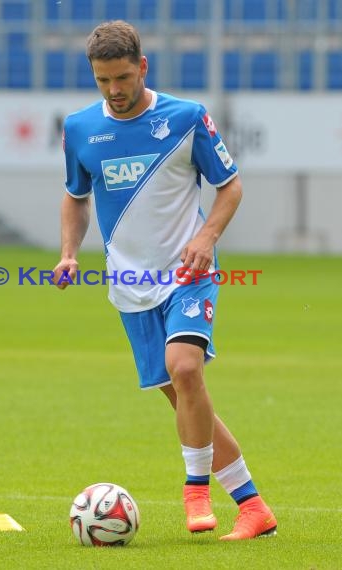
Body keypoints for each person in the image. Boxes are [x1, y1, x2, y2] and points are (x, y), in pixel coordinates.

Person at [53, 20, 277, 541]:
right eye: (104, 80)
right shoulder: (80, 129)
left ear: (143, 66)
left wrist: (207, 238)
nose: (116, 89)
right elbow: (74, 194)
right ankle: (253, 507)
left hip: (187, 273)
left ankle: (195, 493)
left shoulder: (186, 117)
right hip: (129, 284)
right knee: (185, 396)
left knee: (186, 368)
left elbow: (230, 186)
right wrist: (68, 252)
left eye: (124, 77)